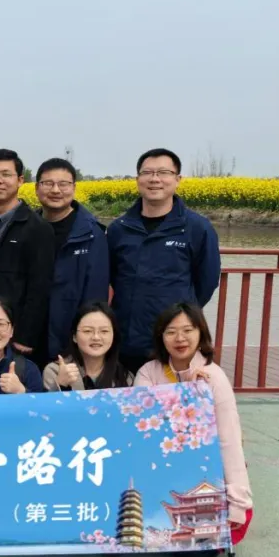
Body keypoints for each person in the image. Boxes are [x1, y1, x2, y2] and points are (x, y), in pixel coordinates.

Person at [134, 303, 253, 557]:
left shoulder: (214, 377)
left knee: (193, 556)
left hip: (204, 478)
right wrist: (188, 394)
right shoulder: (148, 372)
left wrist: (237, 501)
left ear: (201, 333)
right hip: (161, 471)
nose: (180, 338)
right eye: (171, 332)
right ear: (161, 337)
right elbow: (143, 427)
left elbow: (229, 441)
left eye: (188, 330)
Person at [109, 148, 221, 374]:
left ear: (177, 179)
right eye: (147, 172)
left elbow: (207, 282)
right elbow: (111, 276)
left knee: (174, 395)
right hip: (127, 338)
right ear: (137, 179)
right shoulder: (119, 229)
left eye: (163, 172)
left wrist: (182, 312)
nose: (155, 179)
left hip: (174, 342)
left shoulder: (197, 228)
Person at [0, 149, 55, 368]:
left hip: (16, 334)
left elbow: (40, 286)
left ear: (20, 180)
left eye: (6, 174)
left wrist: (26, 335)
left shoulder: (37, 228)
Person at [35, 157, 109, 360]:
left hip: (71, 341)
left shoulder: (92, 234)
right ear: (36, 188)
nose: (55, 190)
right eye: (48, 183)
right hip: (28, 340)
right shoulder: (27, 228)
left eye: (63, 184)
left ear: (74, 188)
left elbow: (96, 295)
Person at [42, 302, 132, 391]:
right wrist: (60, 384)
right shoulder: (55, 371)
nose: (96, 337)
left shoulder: (125, 376)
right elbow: (48, 401)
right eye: (87, 331)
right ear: (74, 336)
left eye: (104, 331)